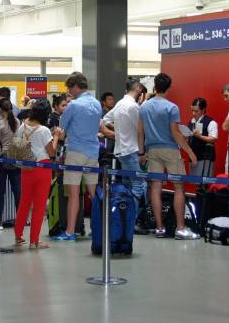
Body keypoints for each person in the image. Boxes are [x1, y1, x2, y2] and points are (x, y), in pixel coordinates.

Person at [139, 73, 199, 240]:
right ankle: (180, 228)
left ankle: (159, 228)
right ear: (169, 88)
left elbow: (140, 131)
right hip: (171, 150)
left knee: (155, 188)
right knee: (179, 187)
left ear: (155, 86)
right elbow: (176, 133)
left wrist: (141, 152)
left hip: (152, 150)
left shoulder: (144, 107)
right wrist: (190, 152)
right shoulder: (172, 107)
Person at [51, 72, 102, 242]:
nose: (68, 91)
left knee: (73, 194)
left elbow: (61, 127)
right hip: (93, 152)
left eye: (69, 88)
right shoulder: (96, 104)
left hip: (75, 152)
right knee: (93, 195)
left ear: (75, 86)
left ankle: (70, 232)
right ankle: (98, 229)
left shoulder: (73, 105)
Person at [14, 99, 60, 249]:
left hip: (26, 168)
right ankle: (34, 240)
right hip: (42, 168)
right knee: (39, 205)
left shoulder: (22, 126)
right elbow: (51, 152)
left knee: (24, 202)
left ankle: (18, 235)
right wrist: (57, 137)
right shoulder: (44, 130)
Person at [99, 78, 146, 224]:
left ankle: (123, 216)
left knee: (128, 186)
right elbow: (139, 131)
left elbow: (104, 121)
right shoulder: (134, 107)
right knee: (139, 185)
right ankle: (129, 218)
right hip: (131, 150)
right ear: (138, 88)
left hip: (120, 151)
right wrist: (141, 152)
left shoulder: (120, 104)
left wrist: (117, 133)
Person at [0, 99, 21, 226]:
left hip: (3, 159)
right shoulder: (17, 121)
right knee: (18, 191)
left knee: (0, 192)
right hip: (16, 158)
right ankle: (21, 219)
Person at [187, 97, 218, 177]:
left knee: (204, 182)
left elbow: (213, 139)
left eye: (196, 111)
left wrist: (200, 136)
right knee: (195, 181)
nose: (193, 113)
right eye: (192, 110)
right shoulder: (191, 122)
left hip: (205, 157)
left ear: (203, 110)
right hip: (193, 156)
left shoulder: (211, 122)